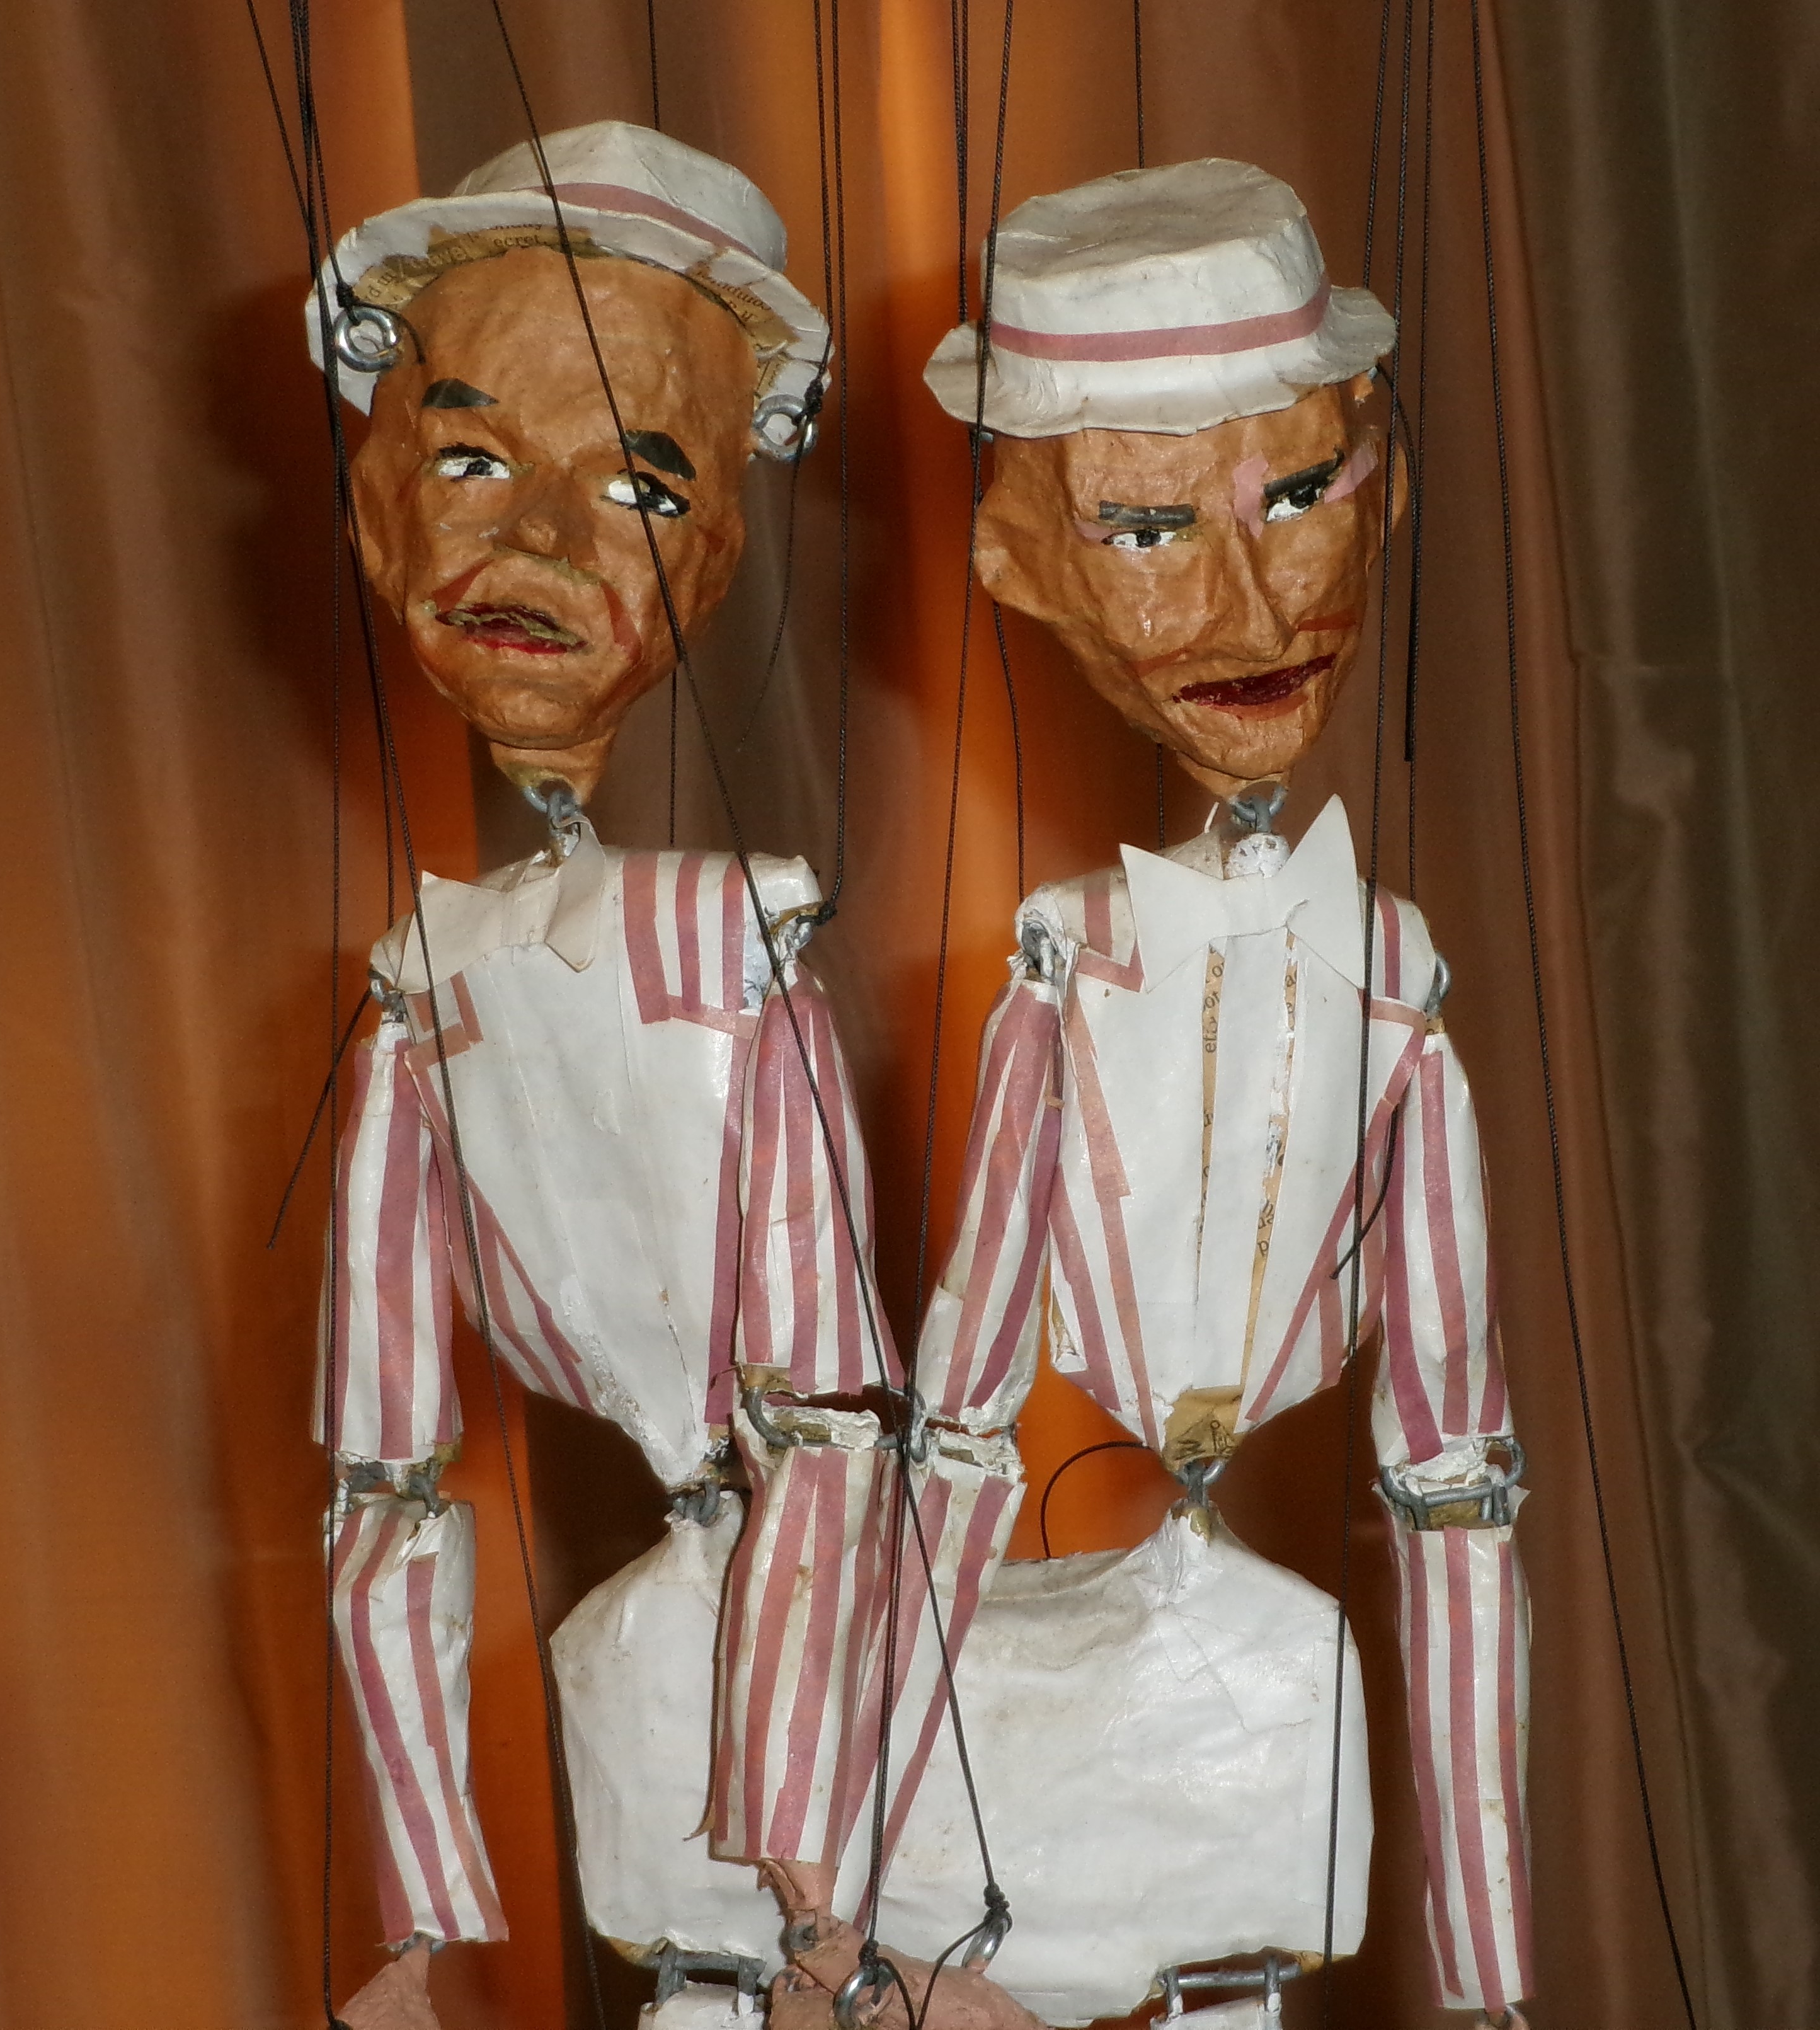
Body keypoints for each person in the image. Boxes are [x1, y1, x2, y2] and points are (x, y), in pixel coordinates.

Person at [880, 158, 1531, 2028]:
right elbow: (961, 1407)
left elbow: (1457, 1460)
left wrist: (1491, 1981)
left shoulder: (1394, 980)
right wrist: (873, 1896)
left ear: (1382, 484)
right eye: (1151, 529)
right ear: (1017, 564)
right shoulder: (1060, 970)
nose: (1251, 602)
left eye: (1300, 499)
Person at [302, 122, 903, 2030]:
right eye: (472, 458)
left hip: (845, 1739)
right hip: (672, 1702)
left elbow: (832, 1402)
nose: (545, 539)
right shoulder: (425, 994)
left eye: (639, 484)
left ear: (717, 552)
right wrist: (417, 1934)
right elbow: (383, 1462)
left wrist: (818, 1895)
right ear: (375, 502)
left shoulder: (739, 948)